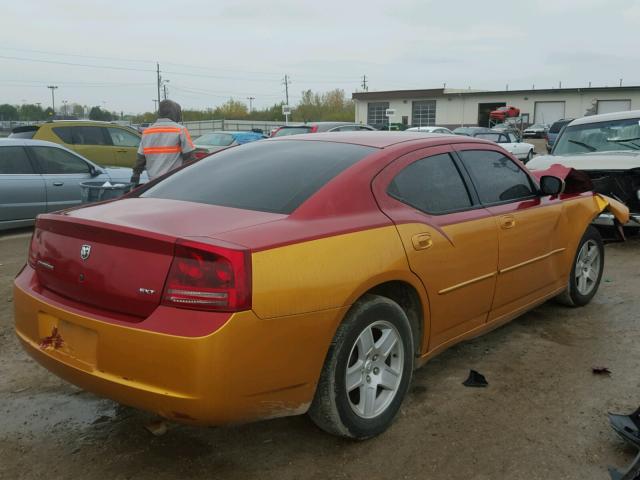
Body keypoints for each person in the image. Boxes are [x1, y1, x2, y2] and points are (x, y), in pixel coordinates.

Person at [130, 100, 195, 185]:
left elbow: (140, 160)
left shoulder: (147, 132)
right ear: (174, 113)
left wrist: (135, 176)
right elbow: (190, 157)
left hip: (154, 184)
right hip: (174, 180)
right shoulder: (180, 130)